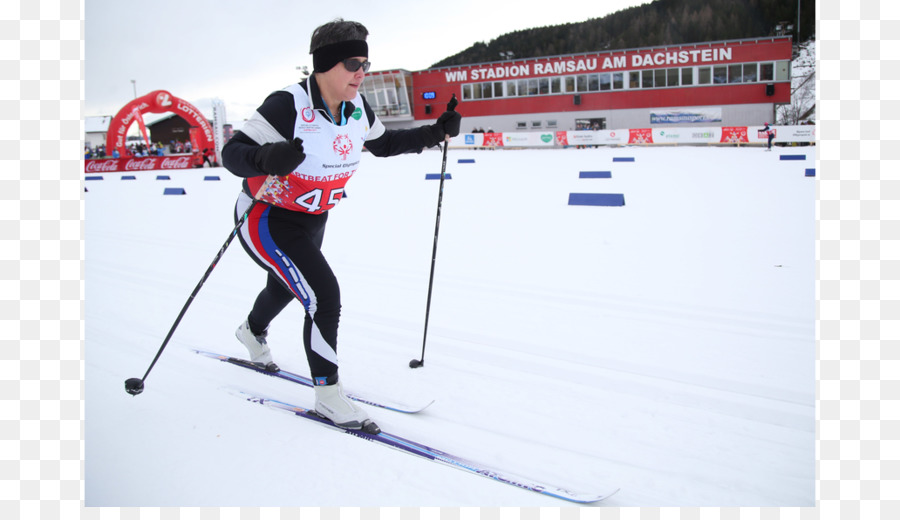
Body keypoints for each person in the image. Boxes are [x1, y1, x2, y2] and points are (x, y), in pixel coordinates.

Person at [221, 18, 460, 433]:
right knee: (324, 296)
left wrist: (435, 133)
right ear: (325, 64)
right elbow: (232, 153)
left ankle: (251, 331)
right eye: (353, 63)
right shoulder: (287, 105)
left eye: (366, 64)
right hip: (266, 218)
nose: (361, 73)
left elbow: (384, 145)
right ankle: (329, 397)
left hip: (313, 219)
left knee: (287, 286)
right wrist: (266, 158)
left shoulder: (357, 110)